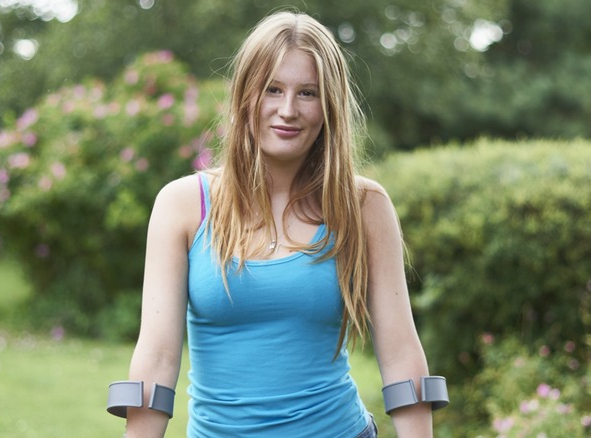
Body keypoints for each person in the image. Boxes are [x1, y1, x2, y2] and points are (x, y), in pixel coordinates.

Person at [108, 10, 446, 437]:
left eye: (307, 93)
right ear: (246, 96)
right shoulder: (182, 205)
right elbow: (155, 361)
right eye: (272, 89)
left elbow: (401, 357)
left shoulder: (364, 206)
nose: (288, 110)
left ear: (329, 106)